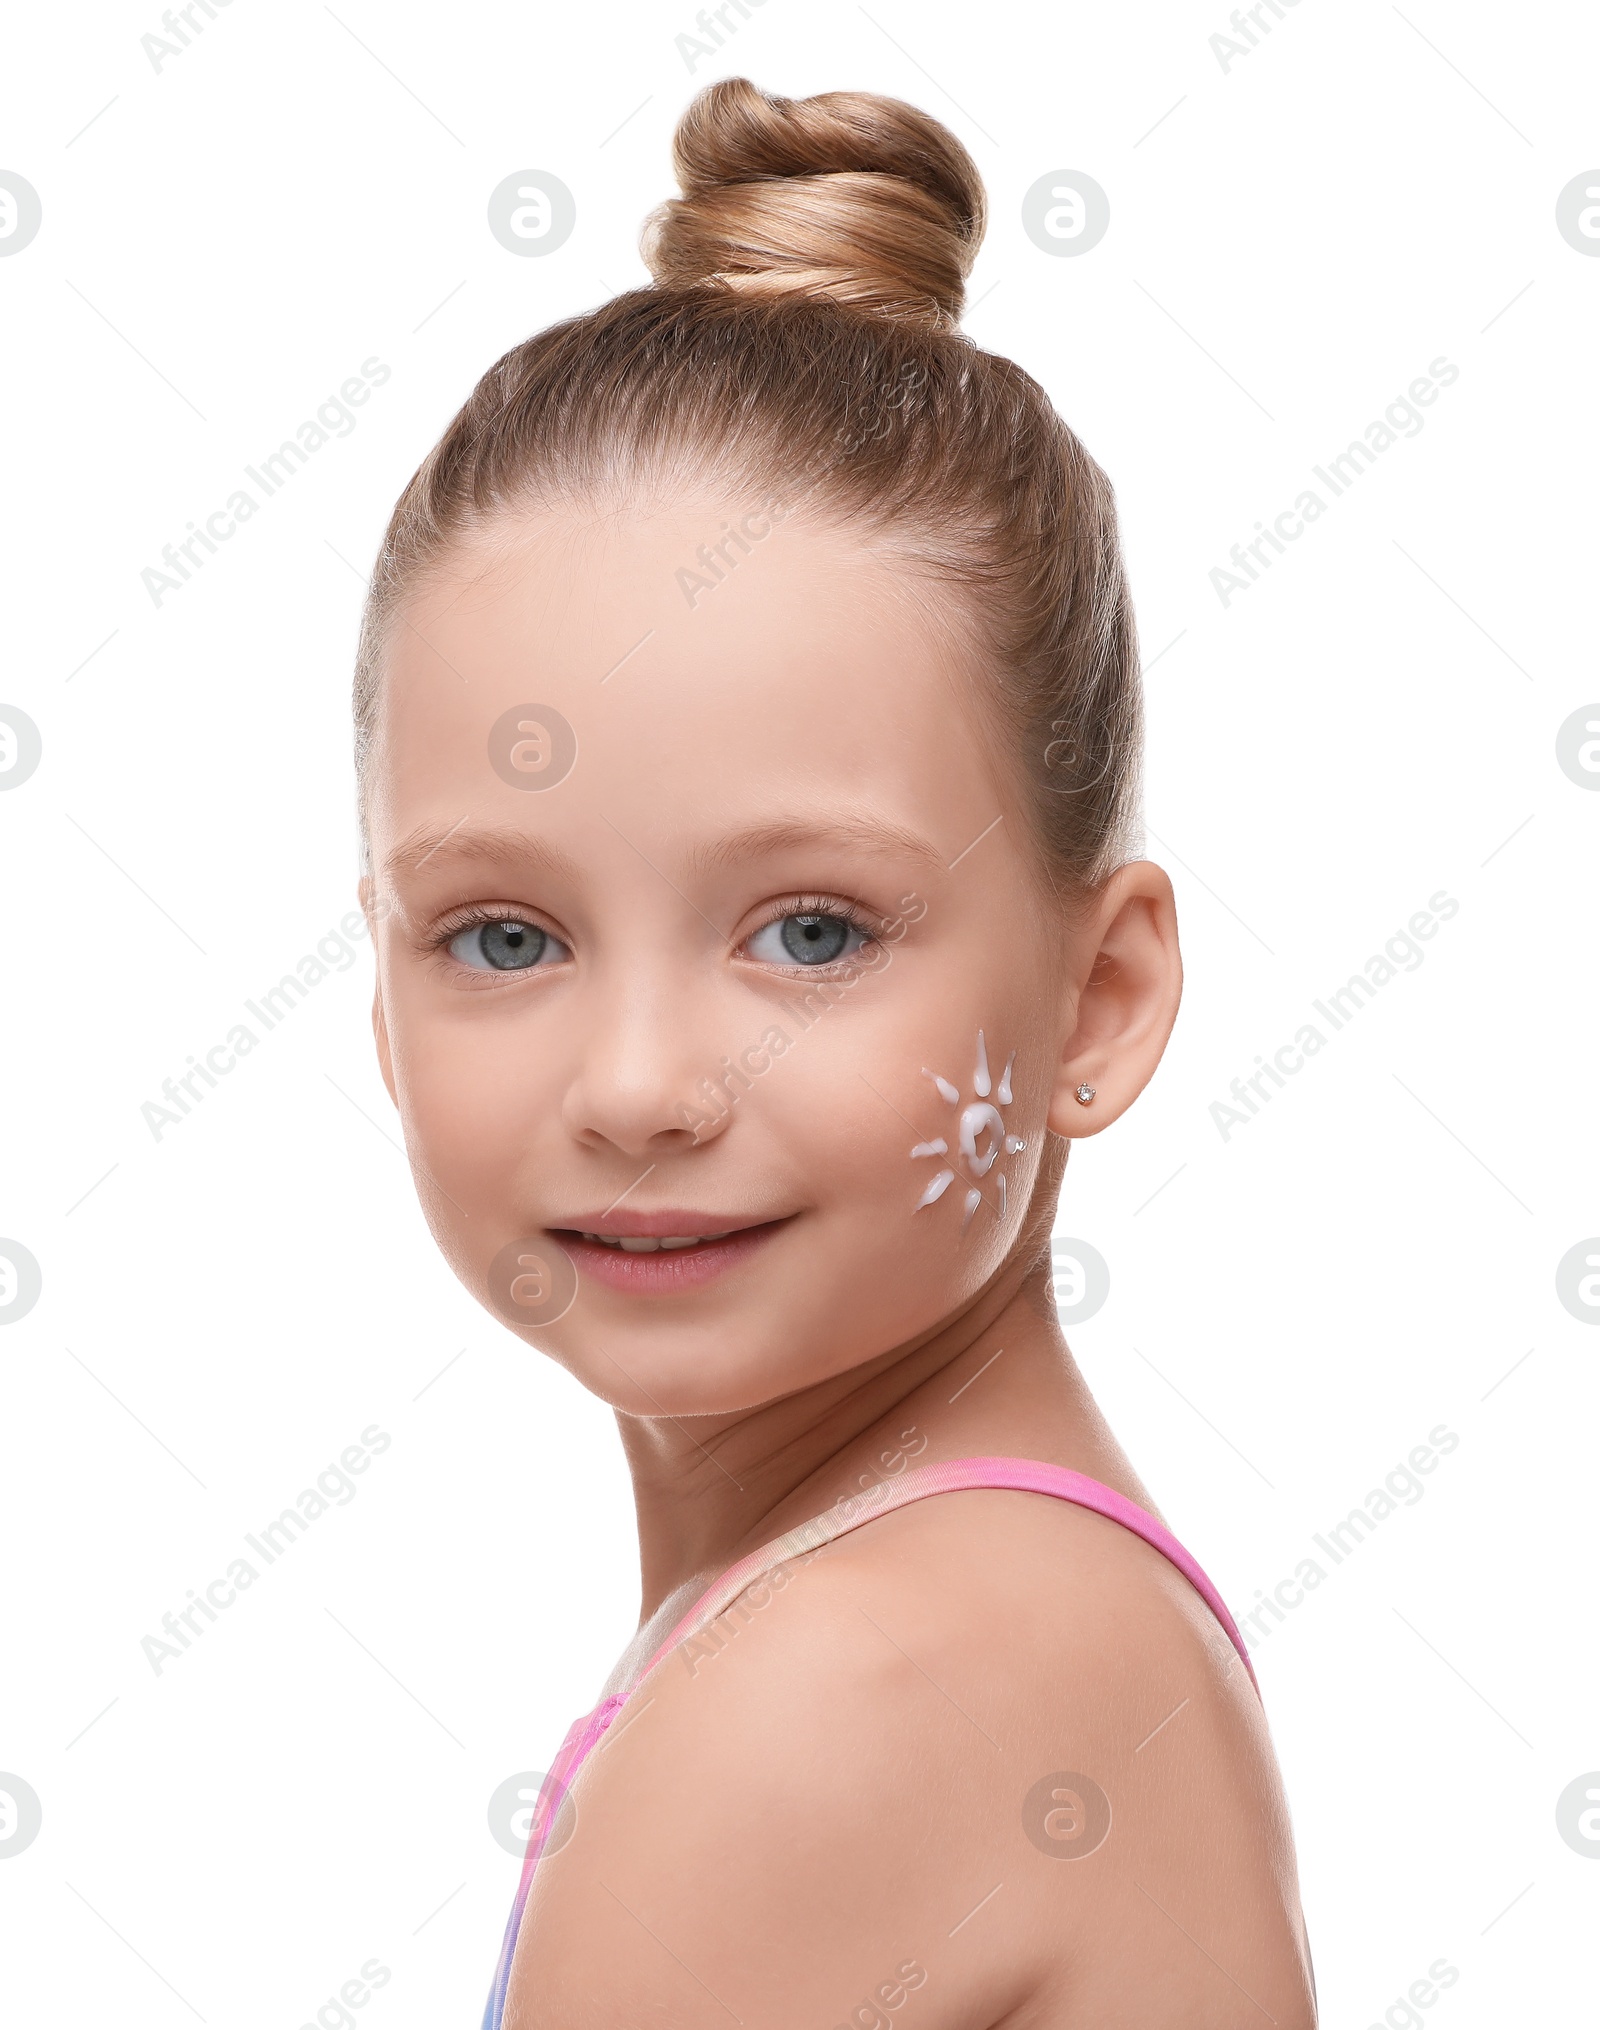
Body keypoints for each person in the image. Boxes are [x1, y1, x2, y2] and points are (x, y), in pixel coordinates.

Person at [352, 75, 1317, 2029]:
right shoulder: (1032, 1614)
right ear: (382, 1001)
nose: (635, 1082)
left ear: (1097, 998)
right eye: (504, 934)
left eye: (808, 930)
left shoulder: (848, 1691)